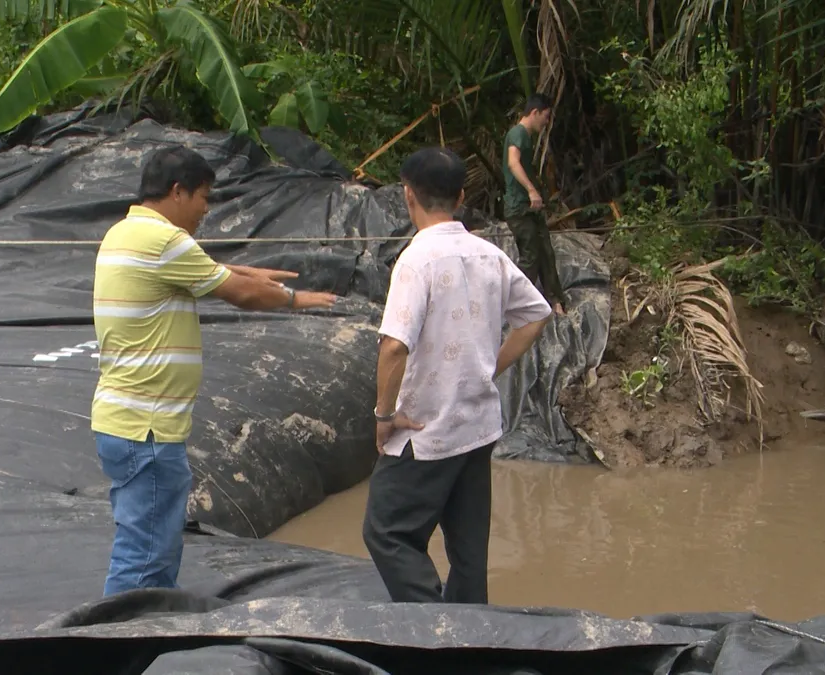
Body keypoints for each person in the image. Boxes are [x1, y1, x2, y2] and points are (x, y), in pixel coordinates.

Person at [93, 145, 337, 596]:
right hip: (146, 428)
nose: (206, 209)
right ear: (177, 191)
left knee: (154, 548)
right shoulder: (165, 241)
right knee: (142, 555)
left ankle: (143, 633)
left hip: (127, 422)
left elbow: (202, 269)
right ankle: (114, 644)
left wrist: (247, 272)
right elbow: (238, 294)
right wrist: (298, 300)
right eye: (203, 197)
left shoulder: (125, 234)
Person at [363, 147, 552, 604]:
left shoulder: (416, 260)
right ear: (462, 196)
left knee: (386, 531)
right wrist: (491, 365)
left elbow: (393, 345)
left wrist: (383, 414)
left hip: (427, 426)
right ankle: (472, 638)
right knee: (468, 551)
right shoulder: (489, 255)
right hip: (478, 423)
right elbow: (535, 316)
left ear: (408, 195)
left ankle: (434, 631)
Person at [504, 93, 567, 316]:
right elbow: (513, 162)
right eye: (546, 117)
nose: (546, 122)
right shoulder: (518, 134)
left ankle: (555, 301)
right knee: (530, 256)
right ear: (535, 113)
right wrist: (531, 190)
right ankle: (517, 306)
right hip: (519, 207)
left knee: (546, 252)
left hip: (530, 207)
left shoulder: (526, 137)